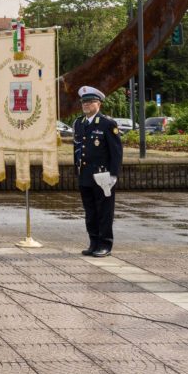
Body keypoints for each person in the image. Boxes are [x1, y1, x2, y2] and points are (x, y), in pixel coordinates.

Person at [72, 85, 123, 257]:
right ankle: (93, 242)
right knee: (90, 212)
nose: (85, 105)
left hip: (103, 176)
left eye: (90, 102)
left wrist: (114, 174)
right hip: (85, 175)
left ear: (99, 103)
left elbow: (116, 152)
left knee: (104, 212)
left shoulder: (107, 123)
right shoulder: (79, 123)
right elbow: (77, 149)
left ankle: (105, 244)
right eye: (83, 102)